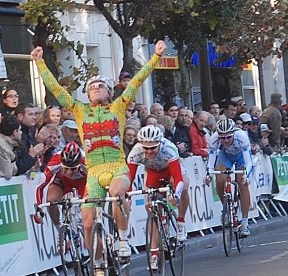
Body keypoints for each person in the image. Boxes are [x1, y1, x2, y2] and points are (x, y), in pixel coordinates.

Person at [31, 39, 166, 272]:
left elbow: (136, 81)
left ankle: (123, 239)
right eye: (91, 87)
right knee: (86, 220)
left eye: (100, 86)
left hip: (116, 168)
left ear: (109, 91)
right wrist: (40, 63)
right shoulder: (79, 110)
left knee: (116, 194)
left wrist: (155, 57)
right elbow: (56, 90)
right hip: (93, 172)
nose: (95, 89)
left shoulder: (118, 106)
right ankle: (97, 262)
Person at [127, 125, 189, 271]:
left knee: (184, 186)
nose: (148, 151)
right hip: (154, 173)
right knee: (151, 210)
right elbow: (129, 179)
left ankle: (180, 221)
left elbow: (178, 177)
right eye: (145, 148)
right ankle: (154, 252)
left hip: (170, 172)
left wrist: (177, 195)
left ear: (160, 143)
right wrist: (127, 198)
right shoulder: (135, 152)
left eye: (153, 148)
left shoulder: (169, 148)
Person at [205, 118, 253, 237]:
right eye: (222, 137)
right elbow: (210, 162)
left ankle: (245, 223)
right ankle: (226, 207)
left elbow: (249, 162)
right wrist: (209, 174)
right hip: (225, 156)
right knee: (220, 178)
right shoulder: (214, 139)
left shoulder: (241, 136)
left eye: (228, 137)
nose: (225, 140)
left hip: (241, 156)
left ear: (233, 133)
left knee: (243, 183)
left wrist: (247, 175)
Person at [34, 141, 87, 228]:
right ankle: (59, 228)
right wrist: (39, 208)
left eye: (73, 169)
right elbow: (40, 186)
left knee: (89, 206)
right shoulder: (55, 161)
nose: (69, 172)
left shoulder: (86, 162)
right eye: (65, 169)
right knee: (51, 199)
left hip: (83, 182)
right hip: (63, 181)